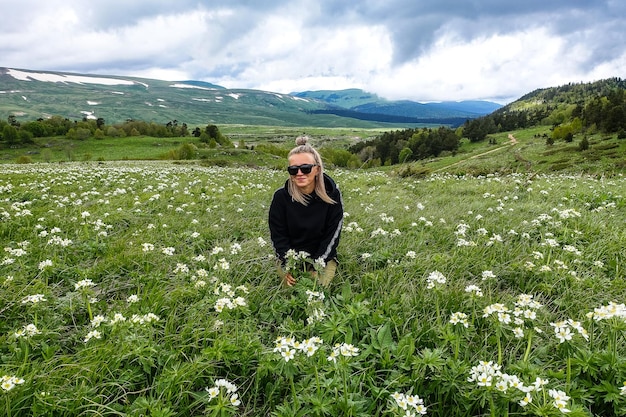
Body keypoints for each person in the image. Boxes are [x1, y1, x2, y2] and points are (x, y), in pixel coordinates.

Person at [269, 135, 343, 287]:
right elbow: (278, 236)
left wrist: (317, 265)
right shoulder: (281, 197)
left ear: (317, 169)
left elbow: (332, 236)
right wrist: (287, 265)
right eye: (293, 170)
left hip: (322, 257)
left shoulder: (332, 195)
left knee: (316, 290)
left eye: (306, 168)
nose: (299, 173)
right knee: (290, 292)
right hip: (290, 257)